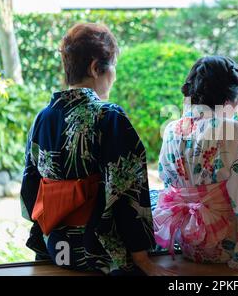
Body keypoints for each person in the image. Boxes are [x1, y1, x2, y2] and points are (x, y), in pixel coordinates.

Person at [20, 23, 174, 276]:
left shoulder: (42, 117)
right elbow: (127, 194)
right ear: (95, 67)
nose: (114, 75)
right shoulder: (109, 115)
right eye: (113, 67)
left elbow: (30, 188)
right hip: (99, 253)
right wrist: (142, 258)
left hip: (53, 247)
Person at [153, 56, 238, 269]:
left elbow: (166, 176)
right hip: (224, 241)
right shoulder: (231, 128)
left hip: (188, 239)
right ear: (230, 98)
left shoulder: (172, 128)